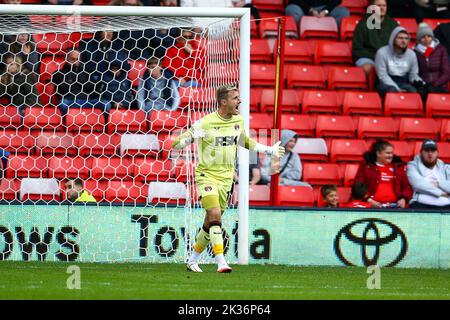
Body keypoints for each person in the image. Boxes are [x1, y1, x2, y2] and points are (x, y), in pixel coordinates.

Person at [171, 85, 285, 273]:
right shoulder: (205, 122)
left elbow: (244, 141)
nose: (239, 101)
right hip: (206, 176)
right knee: (215, 213)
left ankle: (192, 260)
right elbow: (176, 144)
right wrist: (191, 137)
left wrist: (268, 150)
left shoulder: (238, 120)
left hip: (226, 179)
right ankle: (221, 261)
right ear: (224, 102)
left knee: (210, 221)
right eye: (235, 98)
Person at [355, 140, 413, 208]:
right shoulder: (366, 166)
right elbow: (358, 185)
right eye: (388, 153)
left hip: (395, 207)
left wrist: (404, 199)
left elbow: (407, 187)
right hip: (371, 207)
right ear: (378, 153)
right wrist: (369, 200)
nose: (391, 156)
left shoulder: (398, 167)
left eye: (392, 153)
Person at [52, 49, 109, 116]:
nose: (75, 62)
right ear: (67, 60)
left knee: (106, 104)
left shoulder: (86, 73)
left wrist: (77, 80)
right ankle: (66, 124)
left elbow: (93, 88)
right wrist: (79, 81)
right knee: (63, 104)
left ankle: (103, 125)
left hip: (87, 101)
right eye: (72, 59)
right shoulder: (59, 74)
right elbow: (61, 90)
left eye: (77, 59)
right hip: (70, 101)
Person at [375, 26, 426, 97]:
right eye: (400, 38)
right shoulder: (382, 52)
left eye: (406, 38)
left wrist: (421, 82)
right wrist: (396, 88)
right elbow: (382, 76)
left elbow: (413, 74)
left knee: (414, 92)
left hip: (403, 81)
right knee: (392, 91)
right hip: (385, 83)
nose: (403, 41)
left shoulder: (412, 54)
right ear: (393, 39)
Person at [352, 0, 399, 76]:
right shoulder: (362, 24)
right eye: (379, 6)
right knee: (369, 68)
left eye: (384, 6)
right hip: (368, 58)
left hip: (388, 58)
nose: (382, 8)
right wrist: (377, 56)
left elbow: (397, 45)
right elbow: (357, 49)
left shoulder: (393, 24)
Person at [407, 139, 450, 209]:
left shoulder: (446, 167)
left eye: (433, 151)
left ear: (437, 153)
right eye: (427, 151)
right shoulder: (412, 165)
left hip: (446, 205)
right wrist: (441, 193)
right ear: (421, 152)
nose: (430, 153)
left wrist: (439, 184)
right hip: (421, 204)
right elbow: (418, 185)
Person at [414, 22, 450, 97]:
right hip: (423, 87)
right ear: (419, 39)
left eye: (429, 36)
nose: (426, 39)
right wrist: (424, 84)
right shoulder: (415, 52)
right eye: (423, 37)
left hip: (440, 86)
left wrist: (435, 84)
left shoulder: (441, 49)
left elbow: (446, 73)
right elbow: (414, 73)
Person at [285, 0, 350, 27]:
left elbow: (337, 0)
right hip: (303, 8)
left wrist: (326, 10)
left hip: (326, 8)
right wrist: (309, 10)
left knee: (343, 12)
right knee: (292, 9)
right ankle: (297, 38)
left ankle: (336, 40)